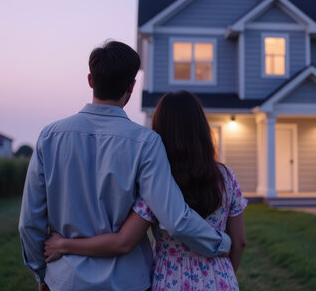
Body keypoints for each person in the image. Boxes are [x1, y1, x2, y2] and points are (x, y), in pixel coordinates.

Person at [19, 42, 231, 291]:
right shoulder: (146, 143)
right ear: (131, 86)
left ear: (90, 80)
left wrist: (41, 274)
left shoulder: (49, 137)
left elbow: (29, 222)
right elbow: (175, 219)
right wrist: (222, 244)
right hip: (127, 282)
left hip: (66, 280)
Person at [43, 90, 248, 291]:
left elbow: (123, 242)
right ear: (201, 128)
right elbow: (239, 242)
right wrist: (224, 274)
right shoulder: (227, 178)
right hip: (222, 280)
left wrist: (64, 245)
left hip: (170, 281)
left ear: (161, 130)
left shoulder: (156, 182)